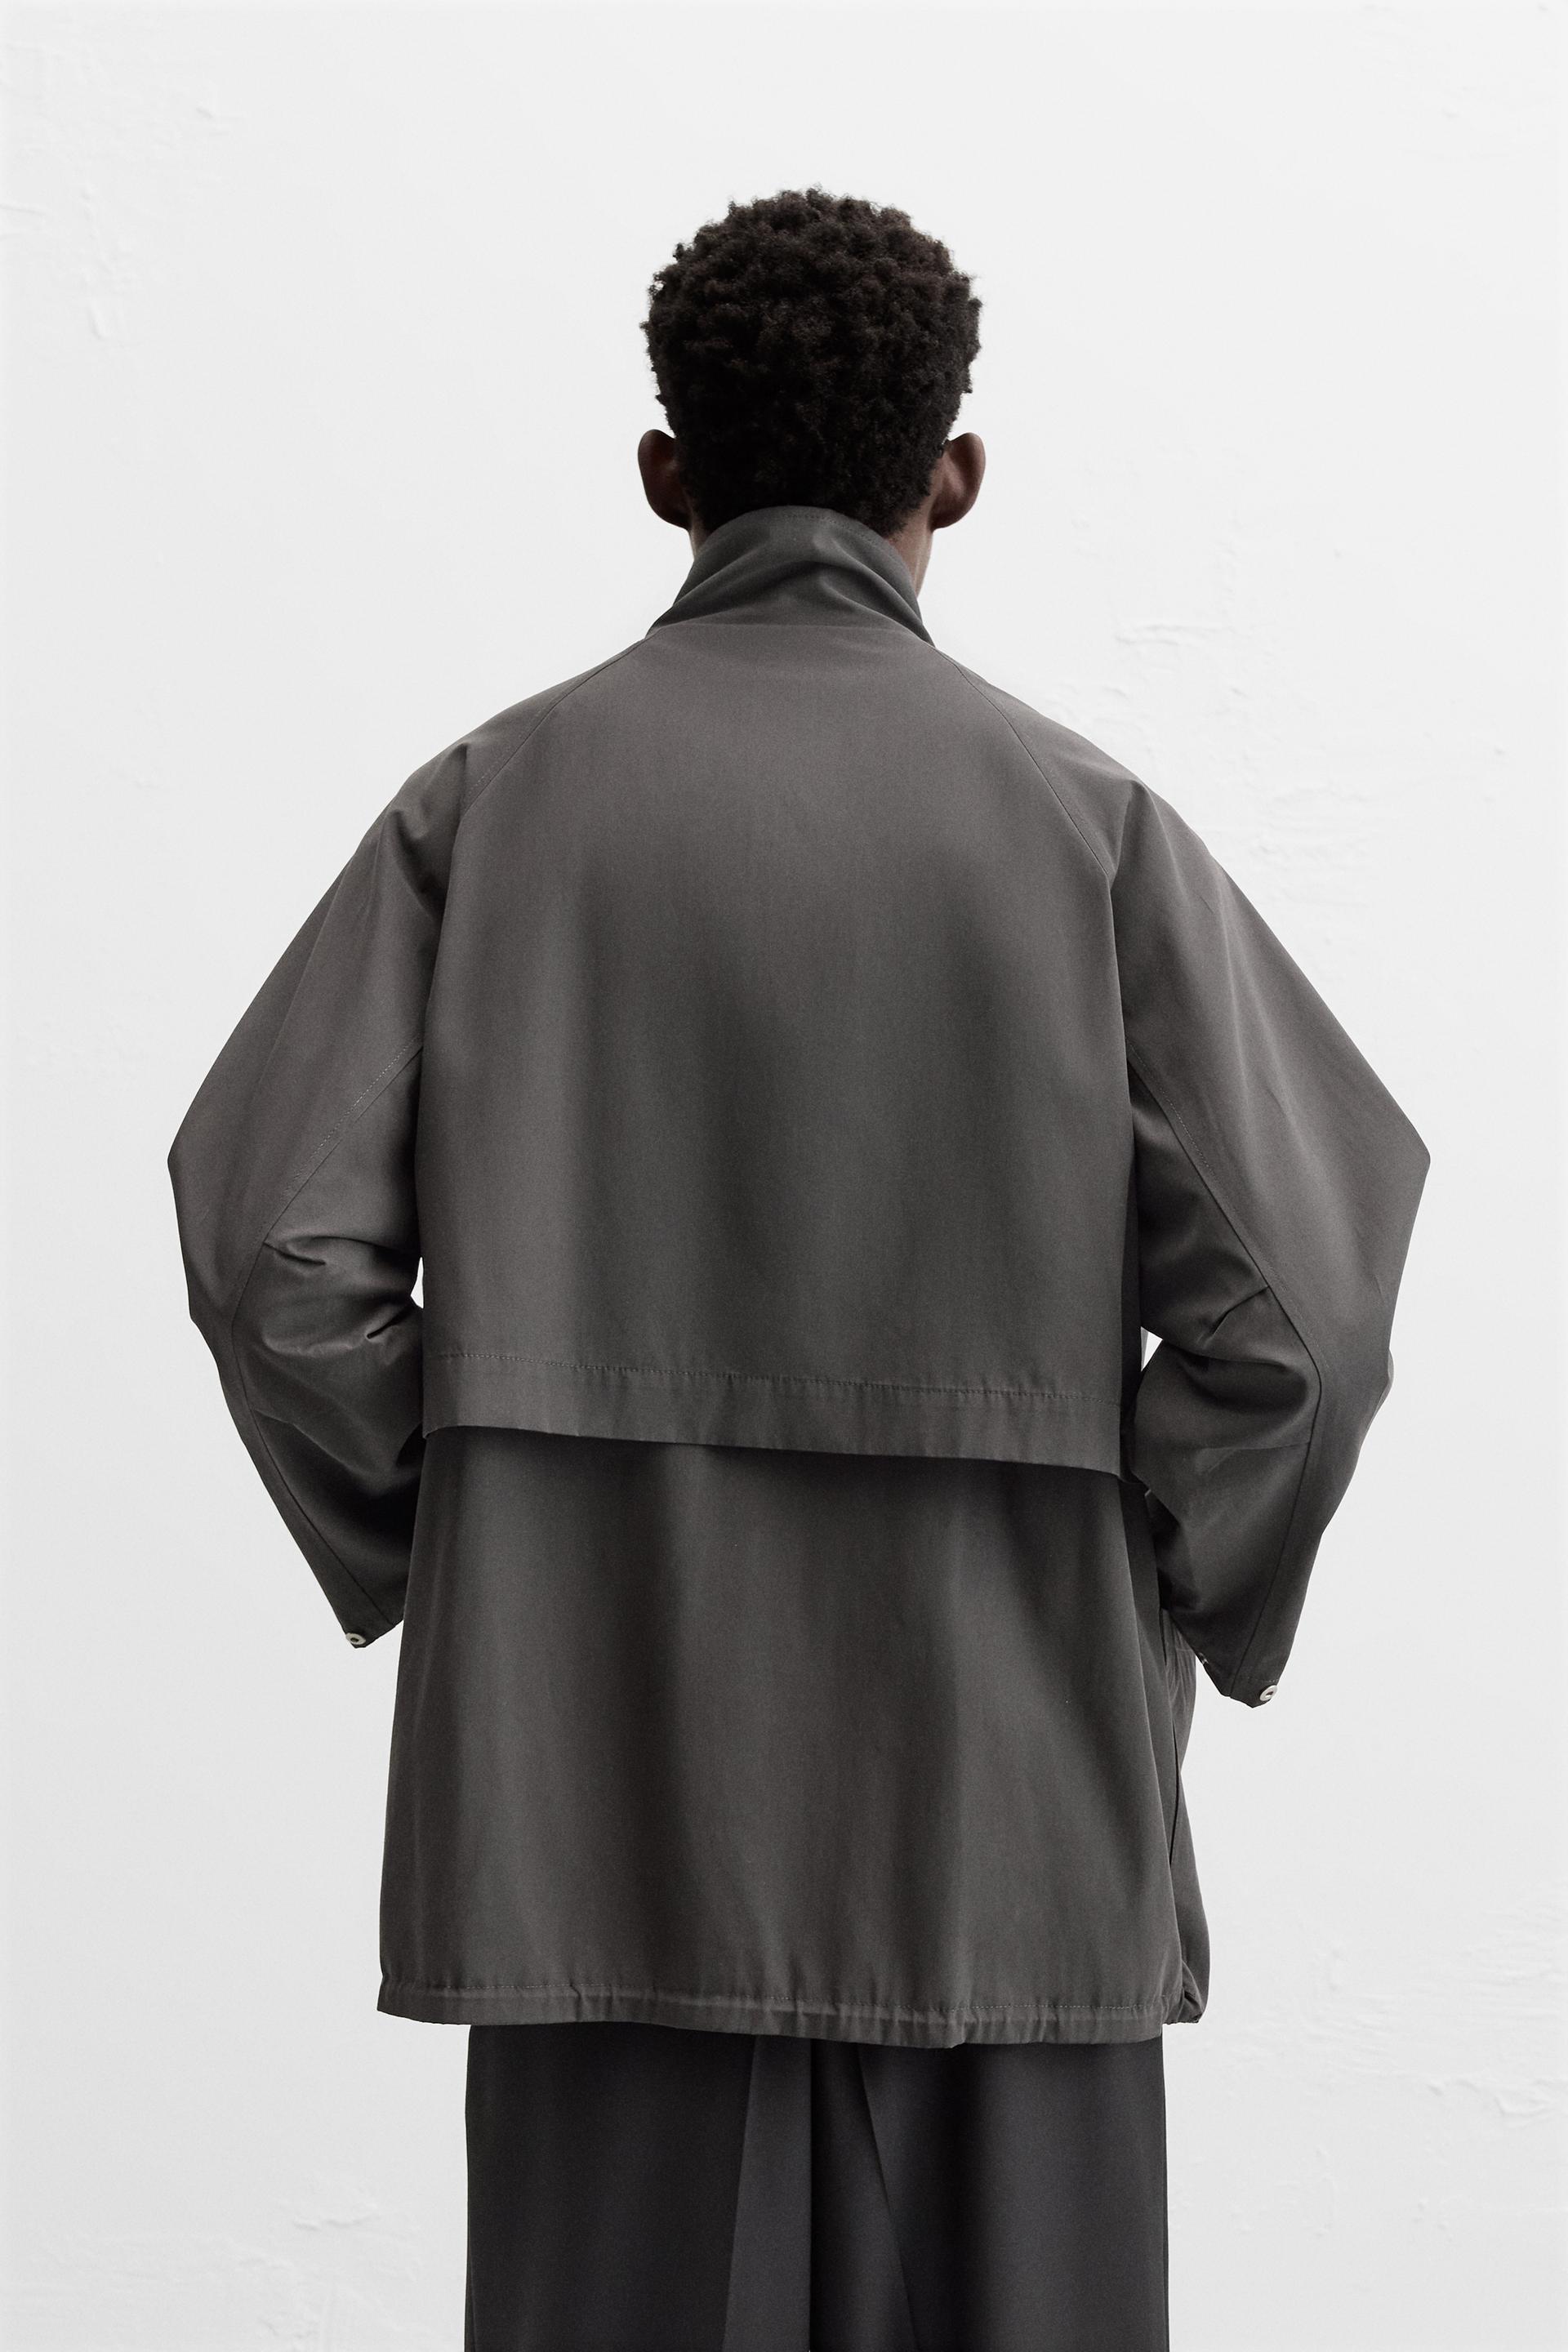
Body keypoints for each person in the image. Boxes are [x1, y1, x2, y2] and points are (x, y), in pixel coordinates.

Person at [168, 188, 1430, 2351]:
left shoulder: (487, 805)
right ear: (956, 474)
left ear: (667, 473)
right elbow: (1302, 1316)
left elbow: (271, 1244)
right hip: (1009, 1825)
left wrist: (460, 1530)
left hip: (595, 1813)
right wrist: (1161, 1572)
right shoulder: (1087, 826)